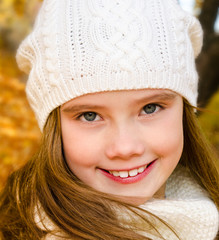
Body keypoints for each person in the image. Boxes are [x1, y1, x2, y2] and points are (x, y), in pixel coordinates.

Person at [0, 0, 218, 239]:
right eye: (90, 115)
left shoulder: (208, 212)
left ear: (184, 110)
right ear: (55, 127)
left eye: (150, 108)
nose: (125, 148)